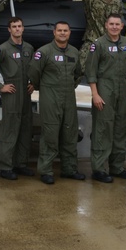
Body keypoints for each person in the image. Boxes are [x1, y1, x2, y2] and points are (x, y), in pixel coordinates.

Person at [29, 21, 85, 185]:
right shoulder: (44, 52)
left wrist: (70, 86)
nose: (62, 33)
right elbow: (34, 72)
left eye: (65, 30)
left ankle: (69, 169)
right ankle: (46, 170)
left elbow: (78, 73)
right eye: (59, 30)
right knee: (50, 134)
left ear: (69, 33)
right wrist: (42, 87)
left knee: (69, 133)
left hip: (69, 97)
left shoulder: (74, 52)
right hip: (50, 97)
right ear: (54, 32)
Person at [85, 14, 126, 183]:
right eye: (111, 24)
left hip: (122, 88)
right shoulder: (98, 44)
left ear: (122, 26)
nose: (115, 27)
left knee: (121, 127)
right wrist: (95, 94)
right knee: (103, 128)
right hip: (104, 87)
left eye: (118, 24)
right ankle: (99, 169)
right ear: (106, 25)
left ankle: (117, 167)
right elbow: (91, 71)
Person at [0, 16, 35, 180]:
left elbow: (34, 69)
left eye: (19, 26)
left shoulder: (29, 48)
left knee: (25, 129)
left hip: (25, 93)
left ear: (23, 28)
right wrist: (0, 86)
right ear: (9, 30)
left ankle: (21, 164)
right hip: (11, 92)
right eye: (14, 27)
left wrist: (33, 83)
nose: (17, 29)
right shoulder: (2, 49)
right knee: (10, 130)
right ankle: (5, 167)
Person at [76, 0, 125, 68]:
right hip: (92, 39)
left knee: (108, 69)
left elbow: (118, 22)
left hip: (109, 41)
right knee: (79, 66)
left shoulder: (117, 2)